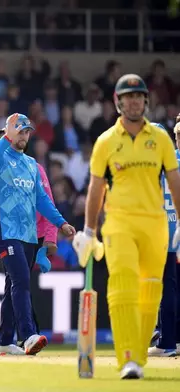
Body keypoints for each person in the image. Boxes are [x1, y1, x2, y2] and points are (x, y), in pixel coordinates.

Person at [73, 74, 180, 379]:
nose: (133, 101)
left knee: (150, 292)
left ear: (146, 100)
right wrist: (90, 231)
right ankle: (128, 358)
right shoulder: (106, 141)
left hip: (155, 224)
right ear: (117, 102)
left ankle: (139, 354)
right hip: (119, 223)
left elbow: (174, 182)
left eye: (138, 96)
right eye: (127, 97)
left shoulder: (160, 139)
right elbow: (96, 188)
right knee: (122, 285)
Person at [0, 113, 75, 356]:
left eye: (26, 132)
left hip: (28, 233)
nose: (24, 136)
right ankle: (28, 334)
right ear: (10, 132)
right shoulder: (0, 157)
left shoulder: (32, 165)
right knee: (21, 280)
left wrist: (61, 223)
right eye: (19, 131)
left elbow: (42, 200)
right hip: (4, 227)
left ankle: (2, 341)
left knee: (14, 283)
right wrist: (6, 138)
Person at [148, 121, 180, 357]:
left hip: (161, 235)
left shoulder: (153, 166)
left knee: (165, 289)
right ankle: (173, 338)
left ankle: (166, 341)